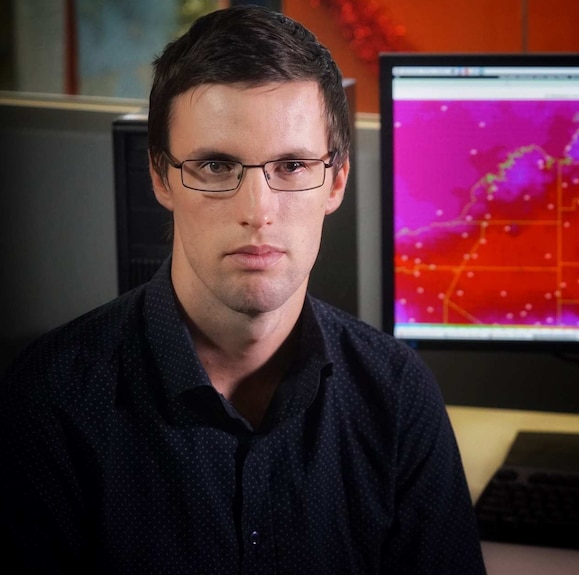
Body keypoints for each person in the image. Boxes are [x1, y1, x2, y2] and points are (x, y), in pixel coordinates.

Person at [0, 5, 486, 574]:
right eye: (214, 165)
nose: (258, 212)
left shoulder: (397, 396)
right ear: (160, 176)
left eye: (292, 165)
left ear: (336, 180)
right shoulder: (51, 403)